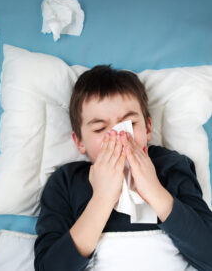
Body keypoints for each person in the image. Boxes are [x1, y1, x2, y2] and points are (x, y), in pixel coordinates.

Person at [34, 65, 212, 271]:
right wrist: (102, 198)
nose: (119, 136)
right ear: (79, 141)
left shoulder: (171, 166)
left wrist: (154, 191)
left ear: (147, 129)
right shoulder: (66, 181)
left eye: (130, 123)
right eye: (100, 129)